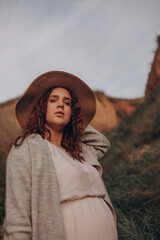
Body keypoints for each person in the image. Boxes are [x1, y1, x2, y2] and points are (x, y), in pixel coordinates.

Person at [4, 71, 118, 240]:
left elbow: (102, 143)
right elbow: (17, 218)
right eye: (53, 100)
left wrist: (76, 123)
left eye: (68, 103)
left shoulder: (80, 152)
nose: (61, 105)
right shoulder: (28, 148)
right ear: (41, 107)